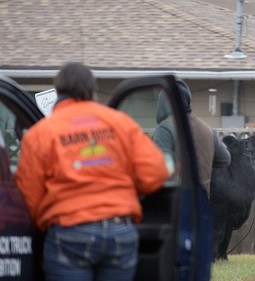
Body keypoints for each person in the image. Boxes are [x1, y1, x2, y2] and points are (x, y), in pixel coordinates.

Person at [15, 62, 169, 281]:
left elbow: (29, 197)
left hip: (70, 233)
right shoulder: (120, 123)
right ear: (92, 89)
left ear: (59, 90)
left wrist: (49, 220)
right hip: (120, 232)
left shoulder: (40, 134)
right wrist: (124, 190)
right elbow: (155, 173)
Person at [152, 79, 231, 196]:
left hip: (173, 205)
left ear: (164, 102)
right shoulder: (207, 129)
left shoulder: (165, 128)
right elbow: (225, 159)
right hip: (201, 203)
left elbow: (159, 169)